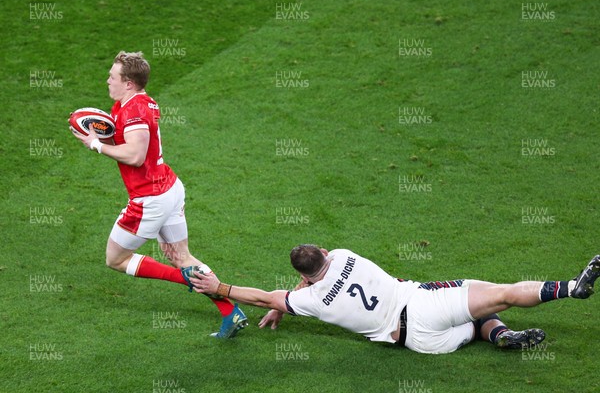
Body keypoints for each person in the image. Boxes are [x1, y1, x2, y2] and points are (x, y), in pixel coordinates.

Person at [70, 51, 247, 338]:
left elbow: (137, 155)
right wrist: (103, 133)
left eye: (112, 77)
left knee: (116, 259)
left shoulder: (132, 110)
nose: (107, 81)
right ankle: (230, 311)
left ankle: (188, 280)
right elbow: (131, 140)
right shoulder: (140, 102)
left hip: (149, 200)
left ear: (128, 83)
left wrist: (95, 144)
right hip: (169, 189)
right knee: (182, 255)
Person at [189, 244, 600, 354]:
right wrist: (287, 299)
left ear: (300, 276)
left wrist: (222, 289)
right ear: (325, 255)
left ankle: (499, 337)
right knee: (500, 294)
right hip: (421, 304)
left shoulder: (313, 302)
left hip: (419, 342)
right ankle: (572, 288)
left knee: (476, 323)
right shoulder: (347, 256)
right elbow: (318, 269)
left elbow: (262, 298)